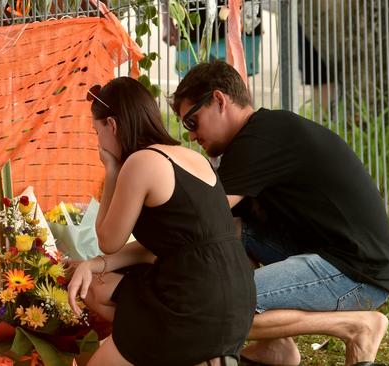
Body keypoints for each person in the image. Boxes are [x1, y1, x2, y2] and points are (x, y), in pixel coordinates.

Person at [171, 60, 389, 366]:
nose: (191, 136)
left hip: (357, 273)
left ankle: (359, 326)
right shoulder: (264, 132)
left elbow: (196, 220)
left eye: (191, 122)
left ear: (219, 100)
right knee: (237, 231)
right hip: (337, 254)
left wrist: (114, 261)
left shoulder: (257, 141)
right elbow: (220, 228)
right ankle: (274, 348)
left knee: (219, 305)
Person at [67, 77, 256, 366]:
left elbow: (108, 240)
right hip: (237, 296)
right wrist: (93, 265)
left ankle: (171, 348)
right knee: (96, 287)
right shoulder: (193, 158)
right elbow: (172, 244)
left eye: (97, 132)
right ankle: (190, 356)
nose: (98, 142)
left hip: (191, 302)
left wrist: (112, 170)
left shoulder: (141, 163)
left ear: (113, 126)